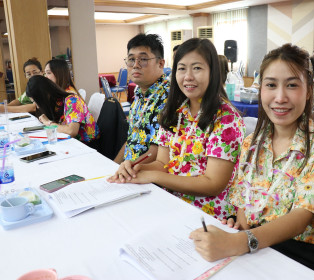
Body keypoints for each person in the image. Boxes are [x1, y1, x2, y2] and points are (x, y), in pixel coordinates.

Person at [189, 43, 314, 276]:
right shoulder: (252, 143)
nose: (280, 97)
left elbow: (300, 218)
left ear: (309, 91)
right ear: (260, 89)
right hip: (251, 247)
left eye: (292, 85)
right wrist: (239, 227)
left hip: (297, 257)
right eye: (271, 85)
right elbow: (242, 202)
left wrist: (240, 241)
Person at [109, 38, 245, 220]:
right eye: (181, 69)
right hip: (170, 202)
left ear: (213, 73)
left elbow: (213, 184)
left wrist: (153, 177)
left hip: (209, 214)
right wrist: (137, 167)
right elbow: (162, 164)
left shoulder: (226, 118)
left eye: (197, 68)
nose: (188, 76)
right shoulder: (174, 113)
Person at [112, 33, 170, 165]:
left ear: (160, 63)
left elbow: (157, 150)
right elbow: (131, 139)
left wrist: (127, 169)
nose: (135, 65)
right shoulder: (139, 93)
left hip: (149, 174)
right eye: (131, 59)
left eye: (143, 59)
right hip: (129, 170)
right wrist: (114, 166)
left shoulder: (168, 97)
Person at [26, 75, 99, 144]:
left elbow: (71, 131)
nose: (37, 106)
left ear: (45, 95)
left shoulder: (72, 100)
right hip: (70, 142)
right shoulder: (55, 101)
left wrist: (48, 123)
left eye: (37, 101)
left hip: (86, 144)